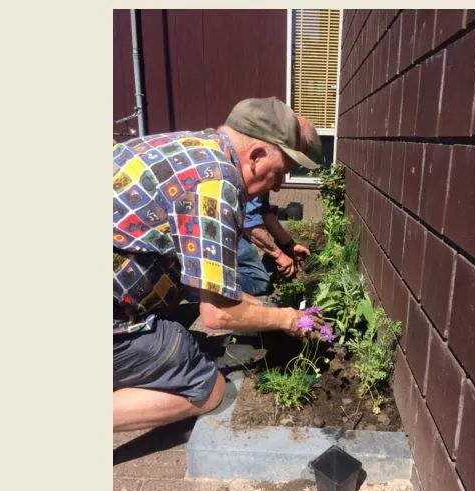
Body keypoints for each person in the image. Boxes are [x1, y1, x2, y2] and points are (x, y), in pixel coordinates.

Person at [113, 97, 325, 432]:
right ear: (256, 155)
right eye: (279, 173)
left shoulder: (188, 148)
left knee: (183, 332)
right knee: (208, 389)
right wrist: (288, 319)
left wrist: (266, 310)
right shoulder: (215, 185)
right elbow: (218, 314)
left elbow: (213, 287)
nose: (278, 185)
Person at [236, 192, 312, 297]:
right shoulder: (251, 186)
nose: (277, 188)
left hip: (233, 228)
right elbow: (250, 224)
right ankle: (215, 279)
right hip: (218, 231)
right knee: (258, 282)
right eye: (277, 181)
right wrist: (279, 255)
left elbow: (265, 212)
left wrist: (290, 245)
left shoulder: (261, 186)